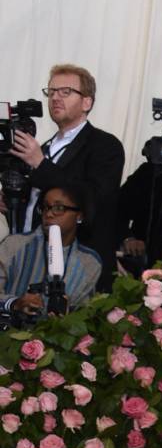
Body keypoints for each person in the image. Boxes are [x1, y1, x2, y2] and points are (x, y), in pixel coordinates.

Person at [8, 63, 124, 292]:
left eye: (65, 92)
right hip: (32, 260)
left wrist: (40, 165)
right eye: (51, 92)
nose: (55, 98)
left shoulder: (105, 146)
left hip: (78, 267)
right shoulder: (44, 147)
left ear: (87, 102)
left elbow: (93, 197)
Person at [0, 182, 101, 322]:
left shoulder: (90, 262)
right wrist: (15, 303)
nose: (49, 214)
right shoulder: (15, 245)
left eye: (58, 208)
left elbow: (86, 314)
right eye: (45, 207)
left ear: (79, 216)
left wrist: (68, 314)